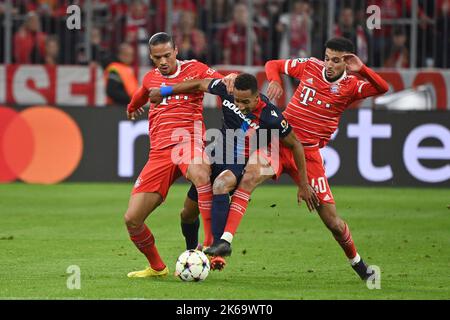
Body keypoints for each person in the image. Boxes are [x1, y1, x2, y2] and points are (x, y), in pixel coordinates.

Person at [209, 37, 389, 281]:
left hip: (308, 154)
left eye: (336, 61)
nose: (328, 64)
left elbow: (382, 88)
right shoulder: (310, 66)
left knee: (333, 222)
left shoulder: (351, 86)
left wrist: (363, 69)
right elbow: (273, 63)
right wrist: (275, 80)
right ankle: (225, 241)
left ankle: (357, 263)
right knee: (250, 177)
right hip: (280, 142)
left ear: (346, 62)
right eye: (327, 58)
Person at [149, 73, 318, 270]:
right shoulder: (226, 89)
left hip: (239, 162)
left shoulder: (270, 115)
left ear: (257, 97)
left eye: (246, 102)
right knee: (187, 214)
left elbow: (296, 145)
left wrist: (303, 184)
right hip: (216, 157)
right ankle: (194, 255)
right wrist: (164, 91)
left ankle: (219, 247)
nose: (240, 105)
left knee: (221, 184)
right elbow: (197, 84)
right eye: (237, 100)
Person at [124, 32, 233, 278]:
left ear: (176, 51)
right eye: (157, 57)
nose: (163, 61)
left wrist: (231, 78)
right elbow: (141, 93)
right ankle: (157, 267)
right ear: (151, 57)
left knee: (200, 173)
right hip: (159, 153)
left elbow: (220, 82)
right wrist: (132, 107)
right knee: (132, 219)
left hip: (188, 141)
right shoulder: (150, 77)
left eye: (166, 55)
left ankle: (209, 245)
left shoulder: (195, 68)